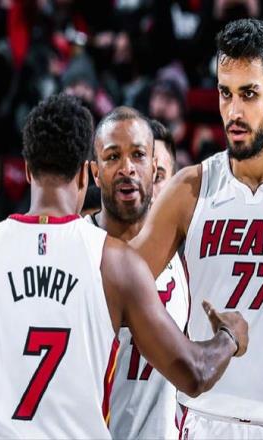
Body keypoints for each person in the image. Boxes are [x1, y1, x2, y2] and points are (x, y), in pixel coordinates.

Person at [0, 94, 248, 439]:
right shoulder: (113, 262)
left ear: (27, 170)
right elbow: (196, 373)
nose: (127, 168)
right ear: (86, 174)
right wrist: (230, 336)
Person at [131, 18, 263, 438]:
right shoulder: (190, 189)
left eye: (249, 94)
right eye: (225, 93)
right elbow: (123, 289)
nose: (234, 111)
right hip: (205, 421)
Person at [89, 109, 189, 439]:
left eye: (158, 174)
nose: (128, 169)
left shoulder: (189, 254)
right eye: (114, 157)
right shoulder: (79, 247)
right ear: (96, 173)